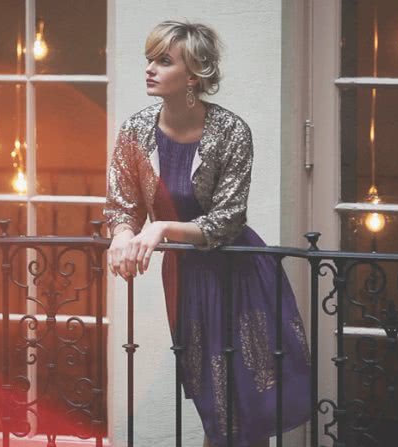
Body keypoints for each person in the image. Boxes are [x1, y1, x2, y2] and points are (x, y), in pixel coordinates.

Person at [104, 20, 311, 447]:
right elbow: (122, 204)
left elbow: (227, 219)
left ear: (194, 75)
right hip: (185, 276)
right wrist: (122, 235)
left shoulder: (231, 130)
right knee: (213, 400)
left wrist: (161, 228)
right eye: (150, 59)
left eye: (164, 61)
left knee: (245, 402)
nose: (150, 68)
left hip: (237, 271)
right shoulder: (135, 130)